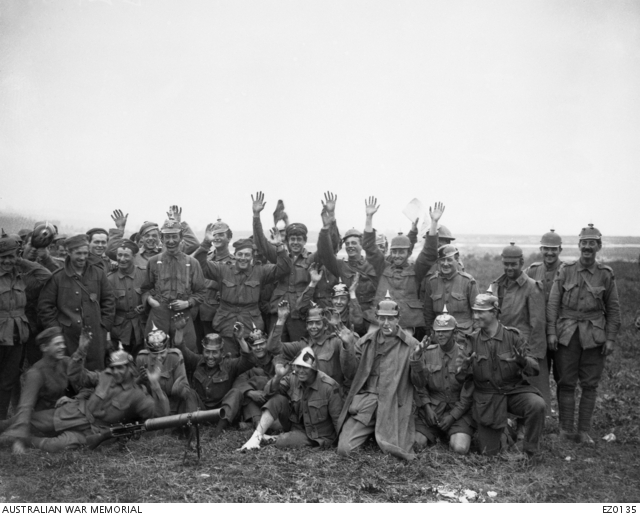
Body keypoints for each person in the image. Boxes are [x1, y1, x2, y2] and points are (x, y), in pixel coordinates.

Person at [18, 330, 169, 453]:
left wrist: (155, 384)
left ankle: (19, 439)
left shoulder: (137, 395)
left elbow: (161, 415)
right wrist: (81, 350)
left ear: (129, 368)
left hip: (92, 432)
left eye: (120, 367)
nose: (115, 371)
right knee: (29, 420)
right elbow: (77, 376)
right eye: (113, 367)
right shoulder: (104, 376)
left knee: (55, 446)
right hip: (75, 413)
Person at [546, 224, 621, 444]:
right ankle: (565, 430)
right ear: (579, 245)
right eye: (584, 243)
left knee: (590, 385)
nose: (587, 247)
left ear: (598, 246)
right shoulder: (566, 270)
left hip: (595, 338)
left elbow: (614, 309)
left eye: (592, 243)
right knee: (566, 383)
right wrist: (551, 332)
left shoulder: (605, 275)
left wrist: (610, 338)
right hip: (567, 335)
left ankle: (584, 431)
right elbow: (553, 304)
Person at [456, 294, 546, 461]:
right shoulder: (472, 340)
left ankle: (530, 452)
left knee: (537, 404)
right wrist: (464, 368)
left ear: (494, 312)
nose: (475, 316)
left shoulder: (513, 336)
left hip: (513, 392)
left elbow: (535, 370)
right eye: (475, 312)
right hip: (487, 399)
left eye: (481, 312)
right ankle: (508, 431)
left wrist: (522, 361)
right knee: (490, 454)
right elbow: (460, 378)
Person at [337, 293, 420, 460]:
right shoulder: (365, 342)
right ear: (376, 318)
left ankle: (378, 435)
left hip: (393, 405)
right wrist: (348, 347)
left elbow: (420, 382)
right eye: (382, 318)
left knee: (397, 451)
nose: (386, 323)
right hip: (367, 403)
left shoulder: (412, 345)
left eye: (390, 318)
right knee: (344, 449)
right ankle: (372, 433)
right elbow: (350, 374)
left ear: (398, 319)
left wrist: (417, 361)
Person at [193, 217, 290, 356]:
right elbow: (200, 265)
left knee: (251, 359)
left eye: (247, 255)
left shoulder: (260, 271)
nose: (243, 258)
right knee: (228, 359)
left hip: (251, 325)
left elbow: (284, 268)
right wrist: (206, 243)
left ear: (251, 256)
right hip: (226, 323)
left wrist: (280, 247)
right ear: (235, 255)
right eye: (240, 254)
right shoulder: (223, 270)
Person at [252, 191, 327, 341]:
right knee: (275, 348)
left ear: (305, 241)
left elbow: (325, 248)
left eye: (299, 239)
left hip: (300, 313)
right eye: (292, 239)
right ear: (287, 241)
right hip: (278, 311)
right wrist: (256, 216)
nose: (295, 242)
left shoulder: (311, 259)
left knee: (298, 349)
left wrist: (326, 225)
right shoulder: (280, 255)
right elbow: (261, 243)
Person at [362, 197, 441, 337]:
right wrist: (369, 217)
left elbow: (429, 252)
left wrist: (434, 223)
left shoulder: (415, 270)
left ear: (408, 252)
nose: (398, 255)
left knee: (406, 354)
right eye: (395, 251)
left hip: (405, 322)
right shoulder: (383, 267)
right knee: (369, 347)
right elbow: (370, 248)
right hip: (380, 320)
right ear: (391, 251)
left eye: (402, 251)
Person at [240, 346, 343, 450]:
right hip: (296, 424)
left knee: (283, 442)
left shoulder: (329, 386)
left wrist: (339, 443)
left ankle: (274, 438)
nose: (301, 371)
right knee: (276, 400)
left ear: (314, 368)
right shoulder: (293, 377)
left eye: (305, 367)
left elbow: (337, 419)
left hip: (315, 434)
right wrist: (278, 376)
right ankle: (256, 438)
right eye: (298, 366)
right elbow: (267, 393)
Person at [38, 234, 115, 371]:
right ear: (69, 252)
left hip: (96, 335)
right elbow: (45, 306)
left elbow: (108, 300)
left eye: (85, 253)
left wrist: (104, 325)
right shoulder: (58, 277)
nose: (82, 257)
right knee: (70, 372)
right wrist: (56, 331)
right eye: (78, 253)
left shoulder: (98, 274)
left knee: (96, 372)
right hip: (68, 336)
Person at [488, 243, 549, 412]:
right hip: (501, 345)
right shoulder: (496, 285)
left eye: (513, 264)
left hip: (524, 347)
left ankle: (526, 426)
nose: (509, 268)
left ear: (521, 263)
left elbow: (537, 324)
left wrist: (532, 356)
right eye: (506, 263)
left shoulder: (532, 287)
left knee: (527, 388)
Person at [172, 315, 254, 437]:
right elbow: (181, 348)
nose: (210, 356)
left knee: (236, 393)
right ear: (203, 351)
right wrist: (179, 330)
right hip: (201, 410)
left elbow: (248, 360)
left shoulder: (229, 364)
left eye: (214, 352)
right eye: (207, 351)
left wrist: (241, 339)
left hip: (221, 411)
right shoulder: (197, 361)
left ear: (222, 352)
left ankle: (218, 431)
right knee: (189, 392)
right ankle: (193, 432)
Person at [0, 233, 52, 419]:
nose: (7, 261)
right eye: (3, 257)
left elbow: (46, 275)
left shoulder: (21, 275)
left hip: (16, 337)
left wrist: (21, 261)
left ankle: (2, 420)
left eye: (11, 256)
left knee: (8, 381)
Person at [410, 311, 473, 455]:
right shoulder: (427, 352)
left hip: (458, 410)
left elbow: (468, 393)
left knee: (460, 448)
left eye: (445, 331)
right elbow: (420, 386)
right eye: (437, 331)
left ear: (455, 333)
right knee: (416, 444)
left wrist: (453, 416)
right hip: (433, 410)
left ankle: (455, 433)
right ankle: (435, 433)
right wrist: (427, 408)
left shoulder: (465, 355)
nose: (440, 335)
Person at [0, 327, 70, 452]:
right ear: (44, 348)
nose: (62, 347)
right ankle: (12, 434)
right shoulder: (36, 373)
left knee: (8, 424)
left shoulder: (65, 362)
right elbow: (25, 406)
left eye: (63, 343)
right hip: (39, 421)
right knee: (7, 430)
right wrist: (20, 440)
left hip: (58, 416)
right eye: (57, 344)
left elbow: (84, 379)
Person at [141, 219, 206, 353]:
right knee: (155, 350)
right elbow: (145, 289)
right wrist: (150, 301)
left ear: (181, 237)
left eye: (174, 236)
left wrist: (188, 303)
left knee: (187, 351)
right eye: (167, 237)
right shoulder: (153, 262)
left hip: (183, 315)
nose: (171, 241)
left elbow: (201, 292)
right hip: (159, 314)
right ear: (161, 238)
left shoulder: (192, 263)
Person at [269, 300, 352, 391]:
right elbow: (273, 348)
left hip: (331, 394)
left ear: (325, 326)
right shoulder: (301, 345)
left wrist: (347, 345)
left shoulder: (335, 342)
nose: (313, 326)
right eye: (310, 323)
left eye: (318, 323)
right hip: (308, 396)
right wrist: (281, 320)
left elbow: (350, 371)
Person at [525, 229, 565, 382]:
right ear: (541, 249)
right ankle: (544, 406)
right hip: (538, 333)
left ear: (560, 250)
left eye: (553, 249)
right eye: (546, 249)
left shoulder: (566, 271)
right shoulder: (532, 271)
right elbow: (517, 282)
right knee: (539, 375)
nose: (549, 253)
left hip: (561, 332)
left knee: (563, 377)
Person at [136, 323, 198, 416]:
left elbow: (184, 389)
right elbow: (135, 388)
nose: (159, 357)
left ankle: (191, 423)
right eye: (154, 353)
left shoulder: (175, 357)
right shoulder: (142, 358)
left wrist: (176, 387)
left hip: (174, 403)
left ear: (167, 348)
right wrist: (141, 380)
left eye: (162, 353)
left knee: (190, 395)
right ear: (148, 350)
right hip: (154, 403)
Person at [106, 207, 201, 268]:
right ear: (141, 238)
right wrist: (120, 229)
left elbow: (193, 244)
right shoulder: (134, 255)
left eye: (154, 235)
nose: (151, 238)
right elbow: (111, 251)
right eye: (147, 235)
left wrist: (178, 224)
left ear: (159, 237)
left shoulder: (169, 251)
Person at [422, 244, 478, 336]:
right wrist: (430, 333)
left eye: (449, 260)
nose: (445, 263)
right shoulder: (432, 282)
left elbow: (477, 312)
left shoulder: (468, 281)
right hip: (439, 335)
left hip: (463, 336)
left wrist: (475, 335)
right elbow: (428, 313)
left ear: (457, 261)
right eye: (442, 260)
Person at [195, 219, 235, 338]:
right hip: (197, 310)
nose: (217, 238)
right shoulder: (205, 258)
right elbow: (195, 264)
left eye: (221, 235)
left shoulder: (234, 262)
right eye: (215, 235)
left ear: (229, 238)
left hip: (215, 312)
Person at [107, 239, 146, 358]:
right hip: (119, 331)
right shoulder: (109, 279)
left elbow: (154, 294)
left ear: (134, 257)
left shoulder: (144, 274)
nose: (122, 259)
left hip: (141, 328)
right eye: (119, 255)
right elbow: (106, 309)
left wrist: (146, 306)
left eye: (126, 255)